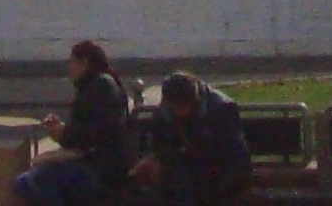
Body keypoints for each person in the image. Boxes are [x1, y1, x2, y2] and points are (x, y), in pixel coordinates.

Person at [17, 40, 134, 205]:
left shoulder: (99, 87)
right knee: (28, 179)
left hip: (101, 168)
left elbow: (93, 136)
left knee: (32, 181)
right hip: (101, 162)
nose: (70, 68)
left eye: (72, 62)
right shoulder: (99, 84)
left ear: (84, 62)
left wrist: (62, 135)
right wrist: (62, 132)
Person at [129, 70, 253, 206]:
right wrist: (155, 161)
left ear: (192, 100)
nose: (175, 112)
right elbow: (161, 145)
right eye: (172, 107)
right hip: (184, 170)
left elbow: (237, 157)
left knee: (190, 184)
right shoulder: (165, 112)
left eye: (179, 107)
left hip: (217, 169)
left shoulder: (221, 109)